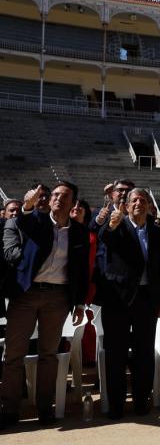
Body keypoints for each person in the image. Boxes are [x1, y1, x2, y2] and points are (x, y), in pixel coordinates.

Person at [1, 182, 89, 428]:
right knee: (14, 355)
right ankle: (9, 410)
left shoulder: (79, 232)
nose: (58, 198)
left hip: (58, 298)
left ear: (73, 203)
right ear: (49, 201)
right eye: (55, 195)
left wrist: (79, 303)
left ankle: (45, 409)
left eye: (65, 196)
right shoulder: (37, 221)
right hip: (26, 295)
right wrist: (28, 206)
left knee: (49, 355)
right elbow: (21, 222)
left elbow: (81, 270)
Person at [95, 188, 160, 418]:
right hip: (117, 298)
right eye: (134, 200)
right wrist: (110, 225)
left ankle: (140, 400)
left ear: (149, 206)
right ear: (126, 206)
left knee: (144, 352)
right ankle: (116, 404)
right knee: (115, 353)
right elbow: (104, 238)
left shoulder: (158, 232)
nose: (139, 203)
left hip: (147, 299)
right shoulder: (118, 225)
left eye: (143, 200)